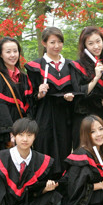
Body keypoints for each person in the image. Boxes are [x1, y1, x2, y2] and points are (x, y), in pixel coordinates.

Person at [24, 27, 77, 174]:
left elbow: (78, 89)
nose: (56, 46)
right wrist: (39, 94)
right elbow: (29, 98)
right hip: (44, 115)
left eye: (59, 42)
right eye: (52, 42)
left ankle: (63, 181)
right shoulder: (35, 67)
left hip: (64, 116)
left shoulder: (71, 66)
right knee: (44, 147)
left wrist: (71, 96)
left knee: (64, 147)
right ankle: (45, 181)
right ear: (44, 43)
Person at [0, 37, 33, 152]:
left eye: (15, 51)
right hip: (5, 132)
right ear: (1, 55)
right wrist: (10, 131)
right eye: (8, 52)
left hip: (23, 129)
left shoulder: (24, 77)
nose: (12, 55)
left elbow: (29, 104)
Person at [71, 26, 103, 145]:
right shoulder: (77, 66)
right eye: (90, 43)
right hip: (85, 118)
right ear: (84, 46)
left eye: (98, 41)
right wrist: (96, 78)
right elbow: (79, 93)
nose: (96, 46)